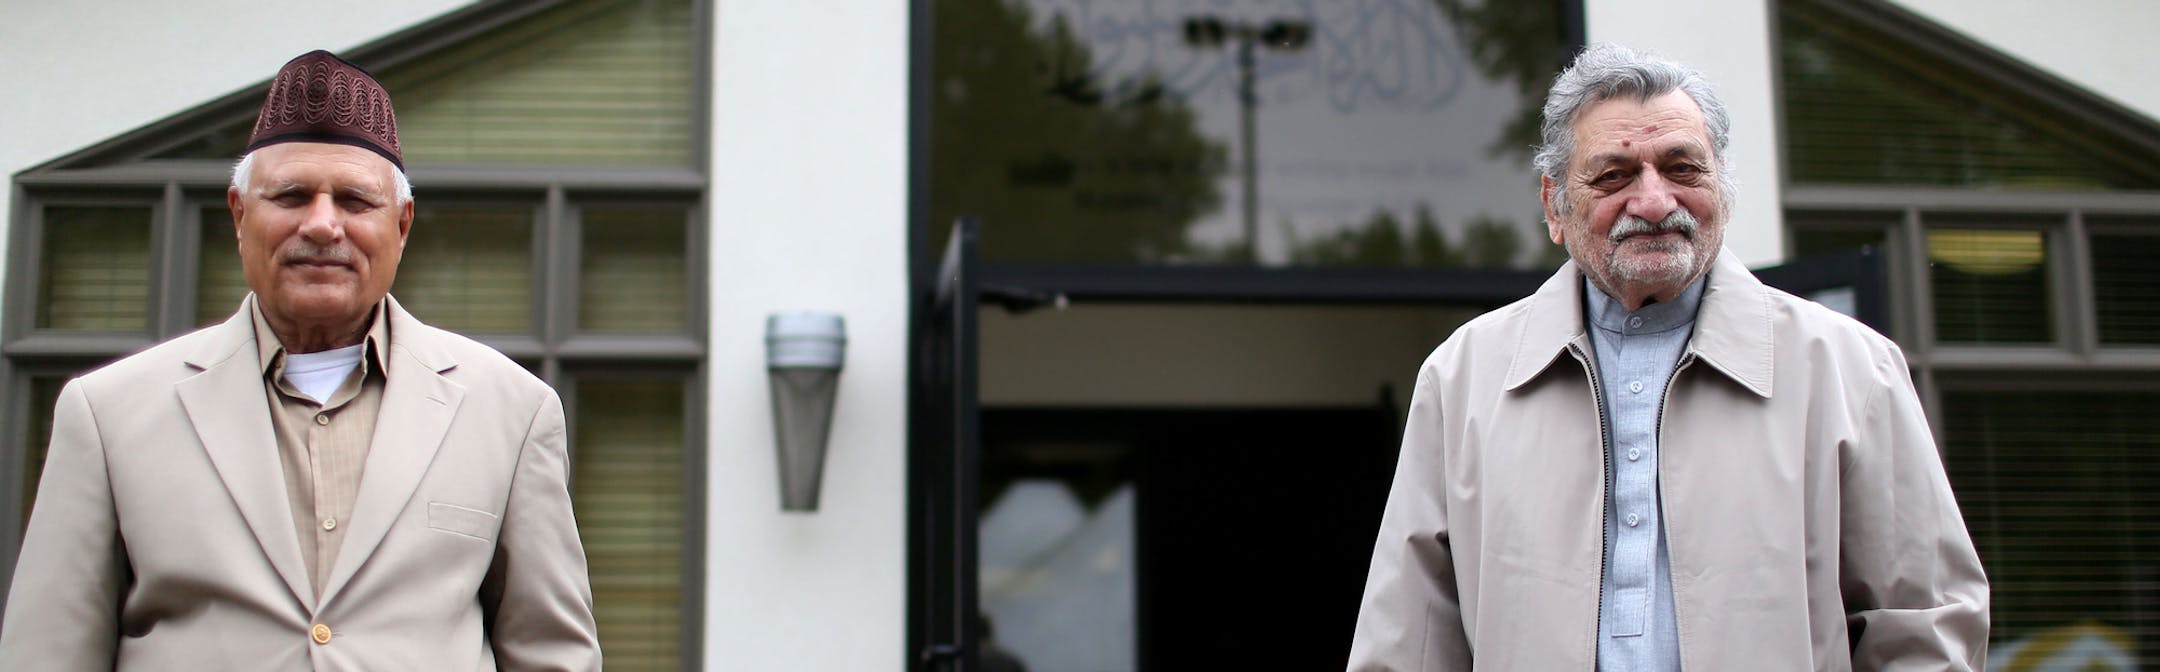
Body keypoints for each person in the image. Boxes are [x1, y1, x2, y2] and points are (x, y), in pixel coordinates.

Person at [1346, 43, 1988, 670]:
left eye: (1683, 168)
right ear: (1554, 206)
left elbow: (1924, 628)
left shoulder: (1852, 370)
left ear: (1724, 189)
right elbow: (1409, 640)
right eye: (1613, 176)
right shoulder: (1463, 379)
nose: (1654, 202)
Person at [0, 50, 602, 670]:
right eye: (290, 196)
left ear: (402, 224)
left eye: (353, 200)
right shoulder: (108, 414)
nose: (321, 224)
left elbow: (551, 654)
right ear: (239, 216)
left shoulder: (510, 411)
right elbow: (47, 654)